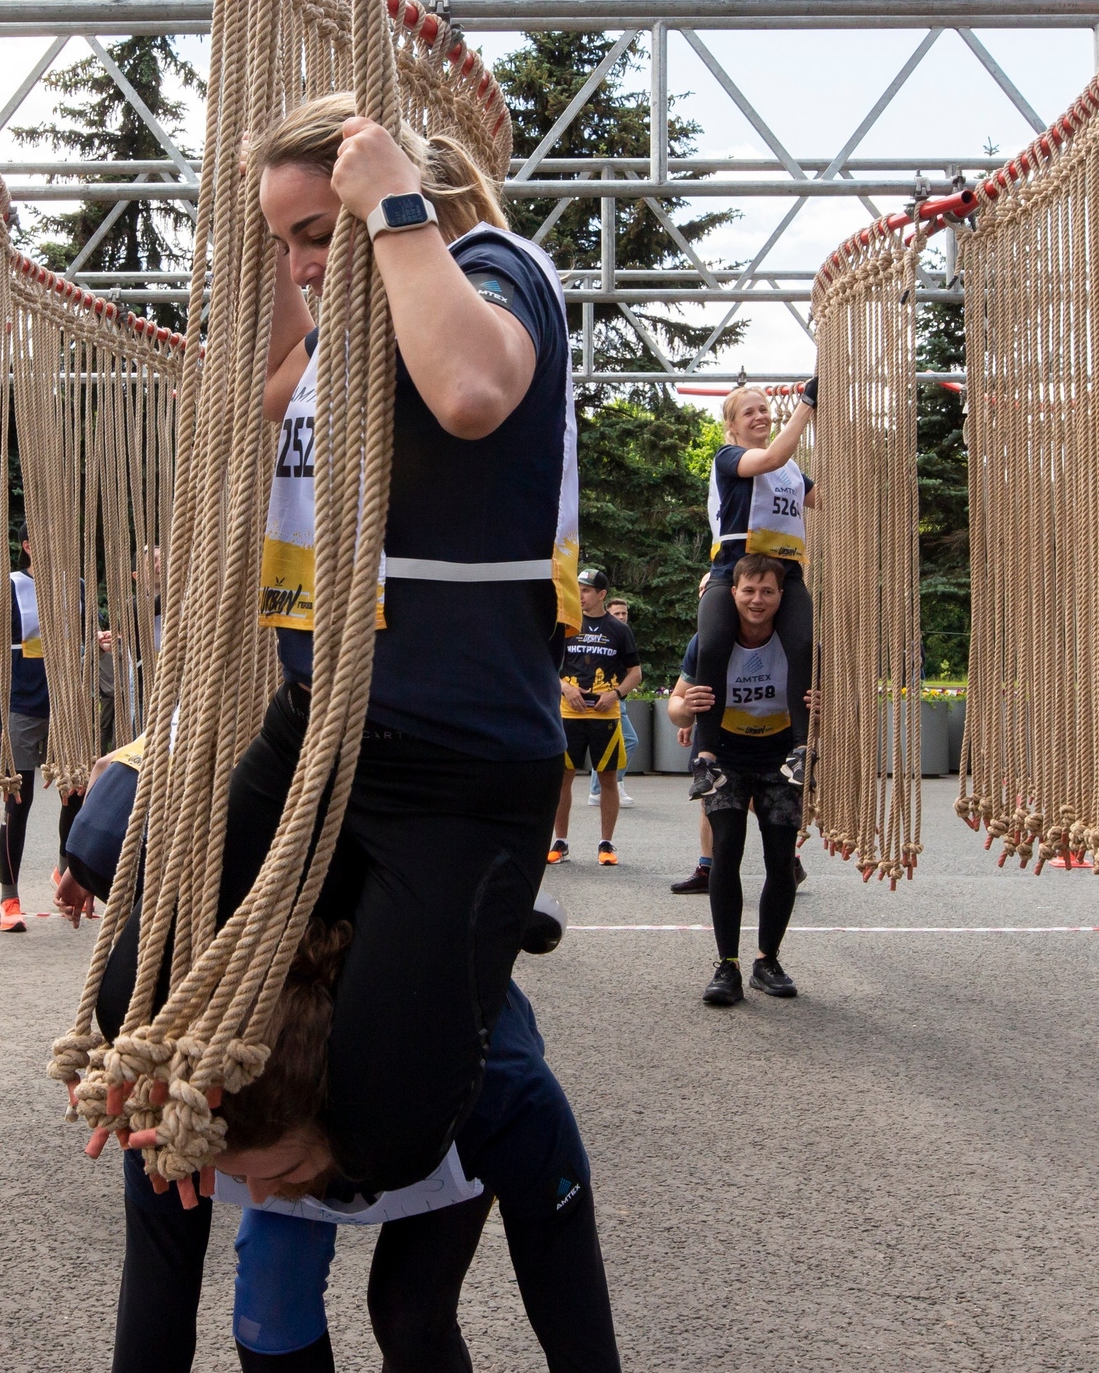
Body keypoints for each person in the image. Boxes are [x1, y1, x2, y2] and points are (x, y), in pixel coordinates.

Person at [234, 89, 578, 1196]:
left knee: (386, 1135)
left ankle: (441, 1042)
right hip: (322, 729)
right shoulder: (347, 328)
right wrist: (274, 248)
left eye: (313, 234)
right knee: (128, 992)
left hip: (458, 758)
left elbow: (473, 392)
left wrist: (387, 206)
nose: (300, 264)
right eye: (284, 242)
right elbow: (258, 397)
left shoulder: (488, 269)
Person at [74, 742, 615, 1372]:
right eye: (239, 1172)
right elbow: (153, 1306)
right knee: (270, 1293)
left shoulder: (494, 1085)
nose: (259, 1191)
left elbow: (572, 1301)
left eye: (278, 1168)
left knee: (409, 1310)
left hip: (418, 1095)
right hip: (282, 936)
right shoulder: (181, 1115)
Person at [662, 554, 805, 1008]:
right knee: (726, 850)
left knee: (781, 858)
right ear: (733, 593)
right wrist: (688, 707)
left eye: (767, 591)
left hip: (778, 757)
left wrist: (822, 708)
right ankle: (728, 965)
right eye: (748, 591)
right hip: (725, 754)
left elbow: (824, 704)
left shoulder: (798, 641)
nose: (757, 600)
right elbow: (675, 709)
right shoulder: (708, 641)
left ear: (782, 596)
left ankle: (767, 960)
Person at [685, 385, 816, 803]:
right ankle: (706, 757)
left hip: (784, 576)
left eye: (764, 410)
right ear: (732, 425)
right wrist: (807, 405)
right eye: (750, 413)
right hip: (734, 573)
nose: (761, 416)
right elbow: (770, 457)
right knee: (713, 648)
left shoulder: (791, 471)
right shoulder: (729, 457)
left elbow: (828, 498)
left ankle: (801, 748)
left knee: (803, 647)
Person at [549, 568, 637, 867]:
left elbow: (635, 673)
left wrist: (616, 694)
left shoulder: (619, 629)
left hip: (605, 715)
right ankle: (559, 842)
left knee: (608, 779)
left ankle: (606, 844)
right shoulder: (565, 625)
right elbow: (547, 667)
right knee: (563, 778)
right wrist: (565, 688)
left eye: (586, 590)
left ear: (602, 594)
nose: (581, 595)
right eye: (579, 589)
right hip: (568, 714)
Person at [0, 532, 49, 932]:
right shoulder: (10, 587)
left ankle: (67, 873)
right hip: (22, 704)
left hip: (67, 708)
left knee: (76, 792)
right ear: (28, 546)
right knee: (19, 801)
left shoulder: (75, 586)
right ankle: (8, 897)